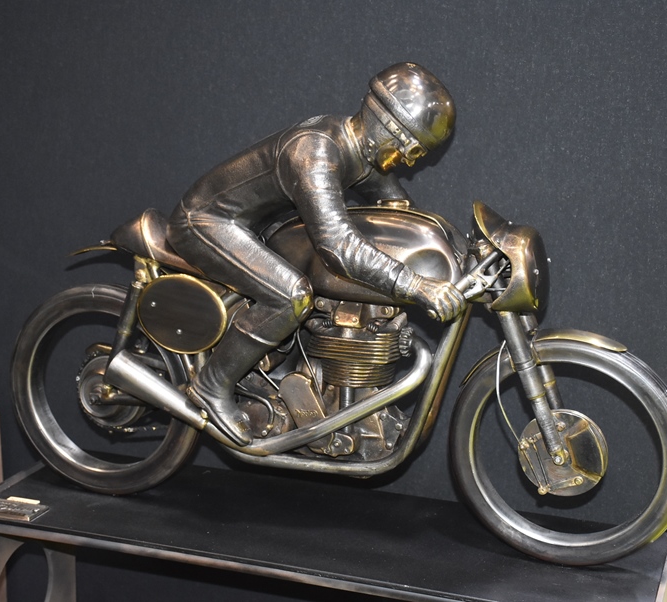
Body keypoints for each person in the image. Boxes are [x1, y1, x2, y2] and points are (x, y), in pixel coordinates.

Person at [167, 62, 466, 445]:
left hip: (254, 228)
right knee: (291, 296)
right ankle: (211, 385)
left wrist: (455, 246)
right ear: (389, 127)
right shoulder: (315, 152)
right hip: (207, 222)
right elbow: (338, 246)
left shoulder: (359, 153)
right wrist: (414, 285)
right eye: (411, 148)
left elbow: (401, 214)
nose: (409, 161)